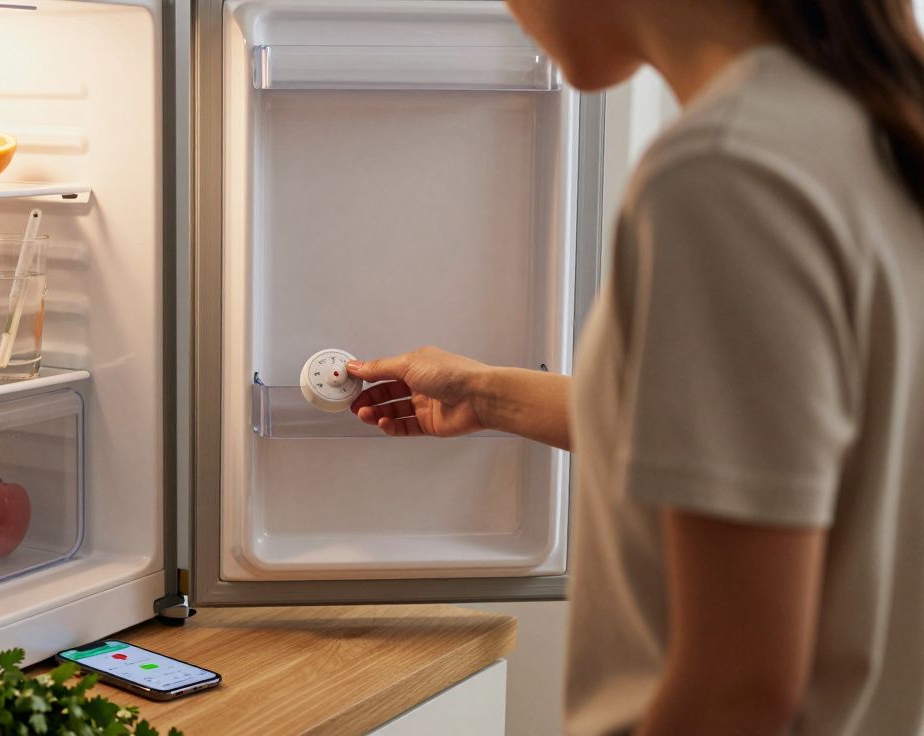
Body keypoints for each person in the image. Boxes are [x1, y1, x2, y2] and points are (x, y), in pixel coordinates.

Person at [345, 1, 924, 734]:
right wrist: (486, 396)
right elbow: (790, 444)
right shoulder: (860, 121)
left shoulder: (724, 172)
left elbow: (738, 690)